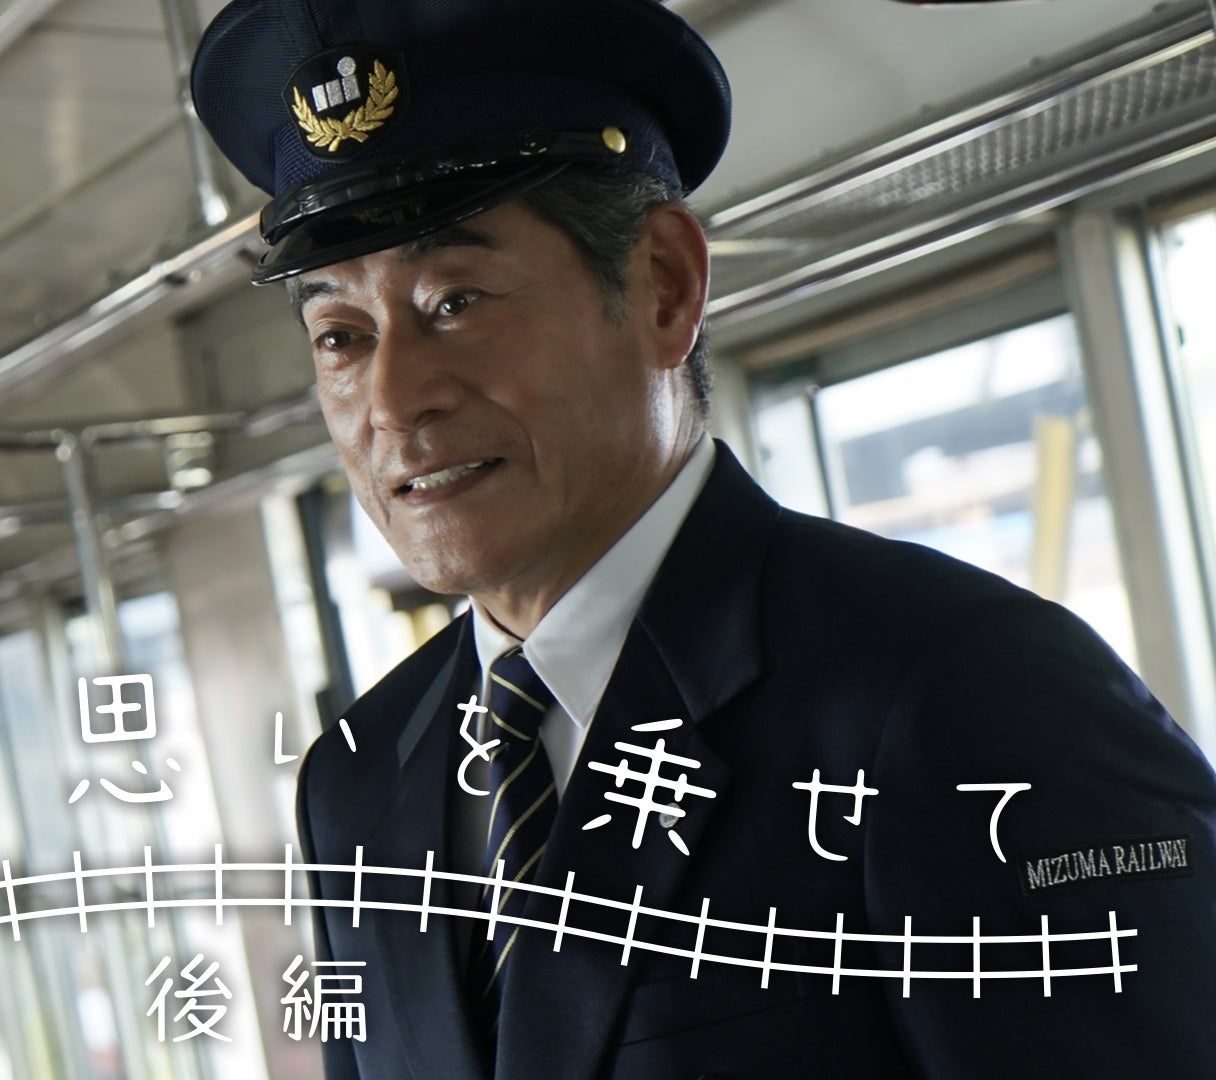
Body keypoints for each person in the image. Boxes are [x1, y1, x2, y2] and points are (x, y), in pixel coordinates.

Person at [189, 0, 1216, 1077]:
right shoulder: (356, 784)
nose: (394, 402)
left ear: (663, 287)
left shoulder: (965, 696)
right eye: (341, 336)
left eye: (457, 300)